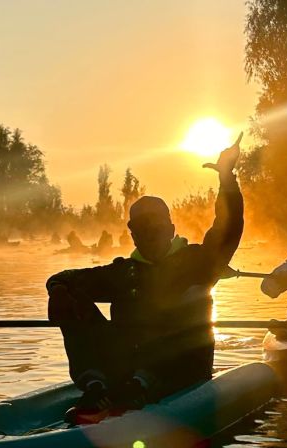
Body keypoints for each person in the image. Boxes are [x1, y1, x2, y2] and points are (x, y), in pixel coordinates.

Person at [47, 134, 244, 424]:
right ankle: (97, 386)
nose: (149, 232)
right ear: (132, 232)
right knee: (69, 293)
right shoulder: (122, 272)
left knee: (191, 298)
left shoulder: (199, 261)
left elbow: (228, 227)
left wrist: (227, 179)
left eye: (156, 225)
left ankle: (142, 384)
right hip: (123, 373)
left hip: (181, 371)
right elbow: (63, 277)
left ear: (170, 227)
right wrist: (58, 289)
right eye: (141, 226)